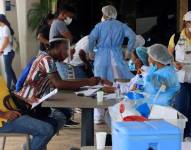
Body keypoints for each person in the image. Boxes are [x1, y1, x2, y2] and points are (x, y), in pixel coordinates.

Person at [16, 36, 101, 128]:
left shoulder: (47, 58)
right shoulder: (47, 59)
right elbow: (59, 84)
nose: (68, 53)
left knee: (63, 114)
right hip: (28, 104)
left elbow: (59, 83)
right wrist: (87, 82)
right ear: (56, 48)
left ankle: (42, 134)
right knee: (60, 117)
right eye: (66, 49)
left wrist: (83, 83)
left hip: (34, 102)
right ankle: (41, 135)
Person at [88, 5, 136, 124]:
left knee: (100, 84)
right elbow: (132, 36)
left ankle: (98, 116)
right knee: (120, 83)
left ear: (104, 15)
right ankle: (118, 112)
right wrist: (129, 51)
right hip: (117, 57)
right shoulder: (121, 25)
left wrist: (90, 52)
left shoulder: (99, 26)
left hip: (101, 58)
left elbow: (91, 38)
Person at [0, 75, 56, 150]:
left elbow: (5, 94)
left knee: (53, 122)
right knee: (46, 130)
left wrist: (25, 99)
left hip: (12, 113)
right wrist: (4, 114)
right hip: (4, 120)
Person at [168, 11, 191, 139]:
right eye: (189, 22)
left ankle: (190, 135)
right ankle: (181, 134)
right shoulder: (176, 37)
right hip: (181, 79)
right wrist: (174, 62)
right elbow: (168, 54)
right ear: (184, 23)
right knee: (182, 107)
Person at [0, 14, 17, 90]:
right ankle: (16, 84)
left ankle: (8, 88)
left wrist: (1, 50)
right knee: (9, 69)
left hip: (8, 52)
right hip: (6, 52)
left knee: (7, 71)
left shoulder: (6, 28)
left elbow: (6, 41)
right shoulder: (2, 28)